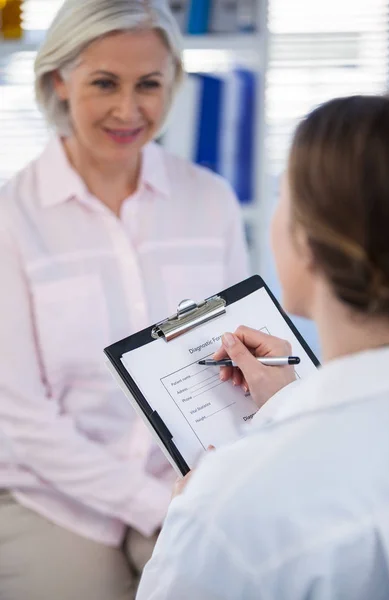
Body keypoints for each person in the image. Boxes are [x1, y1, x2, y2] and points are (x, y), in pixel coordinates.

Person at [0, 0, 249, 598]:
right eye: (105, 83)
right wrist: (149, 501)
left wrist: (208, 487)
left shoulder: (209, 199)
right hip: (55, 496)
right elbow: (18, 413)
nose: (128, 110)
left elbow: (243, 362)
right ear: (59, 79)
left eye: (149, 85)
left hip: (195, 477)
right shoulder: (11, 215)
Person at [137, 94, 389, 599]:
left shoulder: (231, 506)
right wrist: (288, 402)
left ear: (306, 244)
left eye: (284, 195)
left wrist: (194, 516)